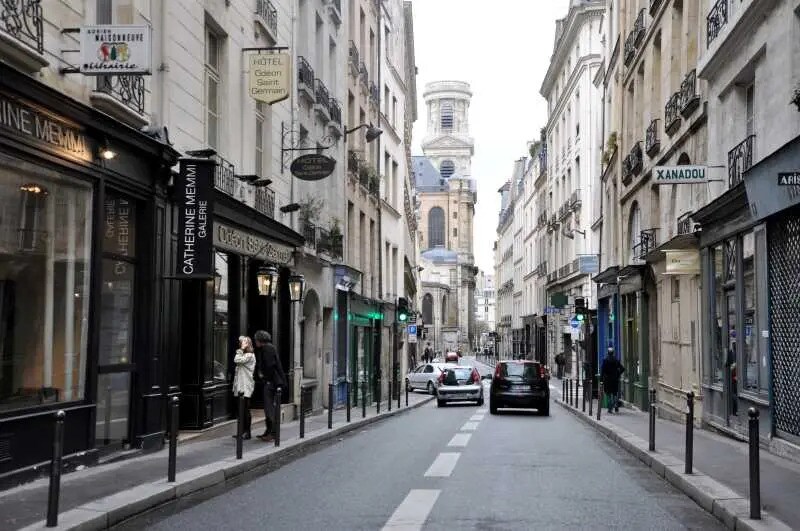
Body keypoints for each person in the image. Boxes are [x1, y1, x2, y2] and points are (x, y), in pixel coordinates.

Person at [254, 330, 287, 442]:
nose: (255, 342)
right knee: (269, 408)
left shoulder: (267, 348)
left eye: (256, 340)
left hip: (272, 382)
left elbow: (270, 366)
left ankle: (272, 433)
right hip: (273, 382)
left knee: (269, 409)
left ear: (260, 340)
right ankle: (269, 431)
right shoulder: (268, 348)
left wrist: (265, 378)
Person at [232, 336, 256, 440]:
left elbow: (236, 359)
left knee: (245, 409)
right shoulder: (244, 354)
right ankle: (241, 431)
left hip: (246, 386)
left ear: (248, 344)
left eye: (244, 342)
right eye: (241, 342)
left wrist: (241, 349)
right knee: (240, 410)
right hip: (241, 386)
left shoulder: (249, 355)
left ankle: (247, 432)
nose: (241, 344)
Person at [601, 348, 625, 414]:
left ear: (608, 353)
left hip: (607, 380)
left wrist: (601, 380)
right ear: (613, 353)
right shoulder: (616, 360)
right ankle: (616, 404)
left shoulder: (605, 360)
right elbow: (622, 368)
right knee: (614, 393)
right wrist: (618, 374)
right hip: (615, 379)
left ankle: (610, 408)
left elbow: (602, 371)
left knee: (608, 394)